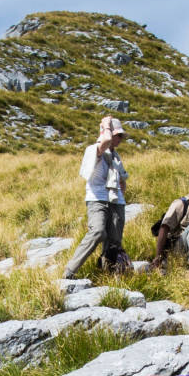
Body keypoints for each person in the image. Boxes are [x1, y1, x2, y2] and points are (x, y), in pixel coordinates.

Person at [65, 117, 130, 278]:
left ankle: (106, 273)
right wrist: (106, 124)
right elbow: (106, 140)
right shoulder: (95, 149)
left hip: (115, 201)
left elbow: (122, 180)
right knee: (98, 232)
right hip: (97, 198)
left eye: (121, 136)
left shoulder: (116, 156)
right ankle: (70, 271)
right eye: (117, 135)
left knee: (114, 241)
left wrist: (121, 195)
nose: (119, 139)